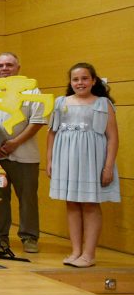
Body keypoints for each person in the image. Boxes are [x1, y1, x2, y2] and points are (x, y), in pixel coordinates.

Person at [46, 63, 119, 268]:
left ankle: (89, 254)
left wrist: (108, 166)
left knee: (90, 204)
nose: (80, 83)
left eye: (85, 78)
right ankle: (76, 251)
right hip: (66, 159)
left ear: (93, 80)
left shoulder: (103, 104)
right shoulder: (61, 102)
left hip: (92, 161)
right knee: (71, 203)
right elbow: (51, 134)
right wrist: (50, 160)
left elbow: (112, 138)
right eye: (76, 79)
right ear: (70, 82)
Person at [0, 53, 46, 253]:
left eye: (9, 65)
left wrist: (15, 143)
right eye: (0, 65)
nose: (4, 68)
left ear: (18, 67)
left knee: (28, 198)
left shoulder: (32, 90)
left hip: (25, 155)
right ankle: (0, 237)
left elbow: (37, 121)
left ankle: (29, 237)